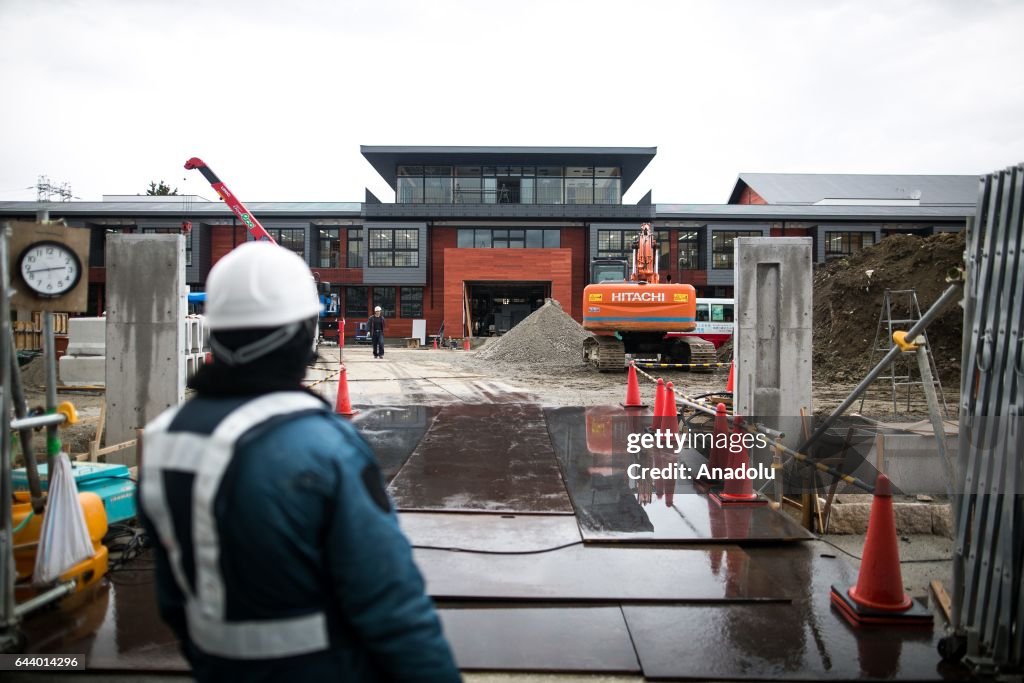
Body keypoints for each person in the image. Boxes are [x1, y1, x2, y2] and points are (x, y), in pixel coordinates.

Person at [137, 242, 459, 682]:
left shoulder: (162, 439)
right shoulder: (323, 447)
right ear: (304, 330)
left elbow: (173, 597)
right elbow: (390, 604)